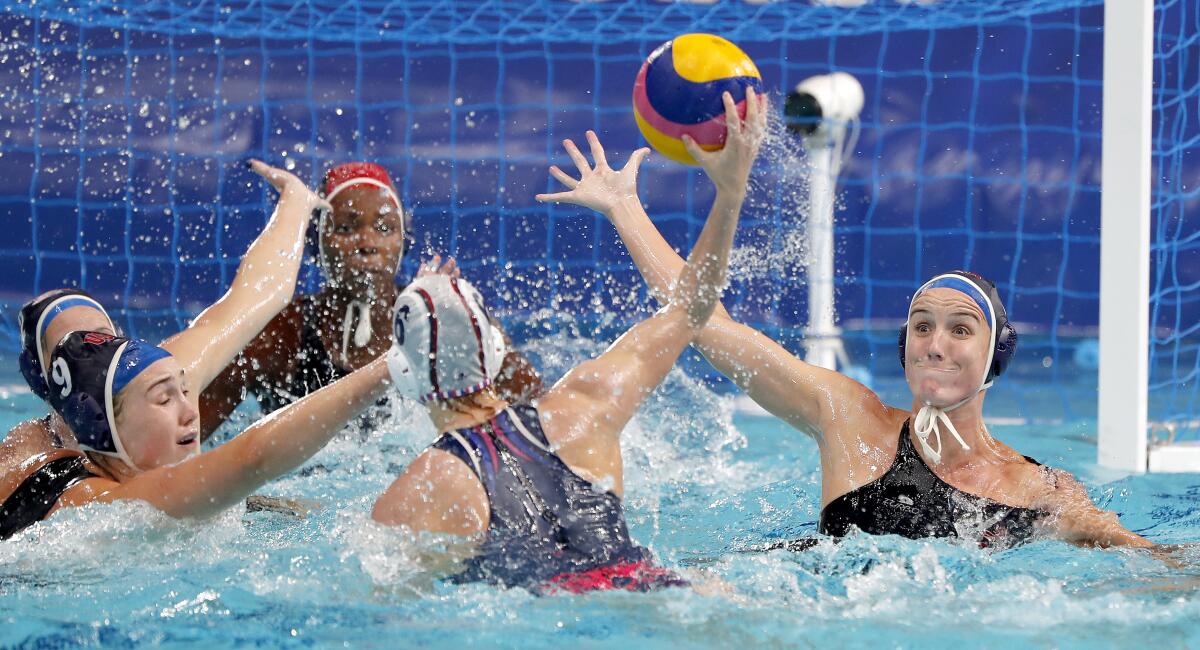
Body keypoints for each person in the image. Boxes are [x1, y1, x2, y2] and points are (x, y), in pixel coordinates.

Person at [536, 108, 1150, 550]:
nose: (935, 343)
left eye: (961, 330)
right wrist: (625, 209)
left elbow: (1145, 563)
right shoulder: (847, 416)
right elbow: (706, 325)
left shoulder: (1041, 490)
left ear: (995, 357)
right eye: (921, 326)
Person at [369, 89, 765, 593]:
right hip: (658, 591)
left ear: (403, 375)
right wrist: (730, 192)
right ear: (496, 350)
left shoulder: (419, 490)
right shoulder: (585, 406)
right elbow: (691, 306)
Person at [0, 159, 327, 538]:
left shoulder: (150, 378)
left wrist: (296, 201)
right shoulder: (37, 461)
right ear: (47, 382)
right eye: (69, 348)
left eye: (102, 335)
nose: (92, 348)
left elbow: (258, 295)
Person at [199, 162, 542, 441]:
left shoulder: (443, 320)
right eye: (346, 229)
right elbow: (188, 437)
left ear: (402, 243)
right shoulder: (282, 335)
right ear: (317, 246)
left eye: (383, 228)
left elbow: (541, 418)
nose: (367, 243)